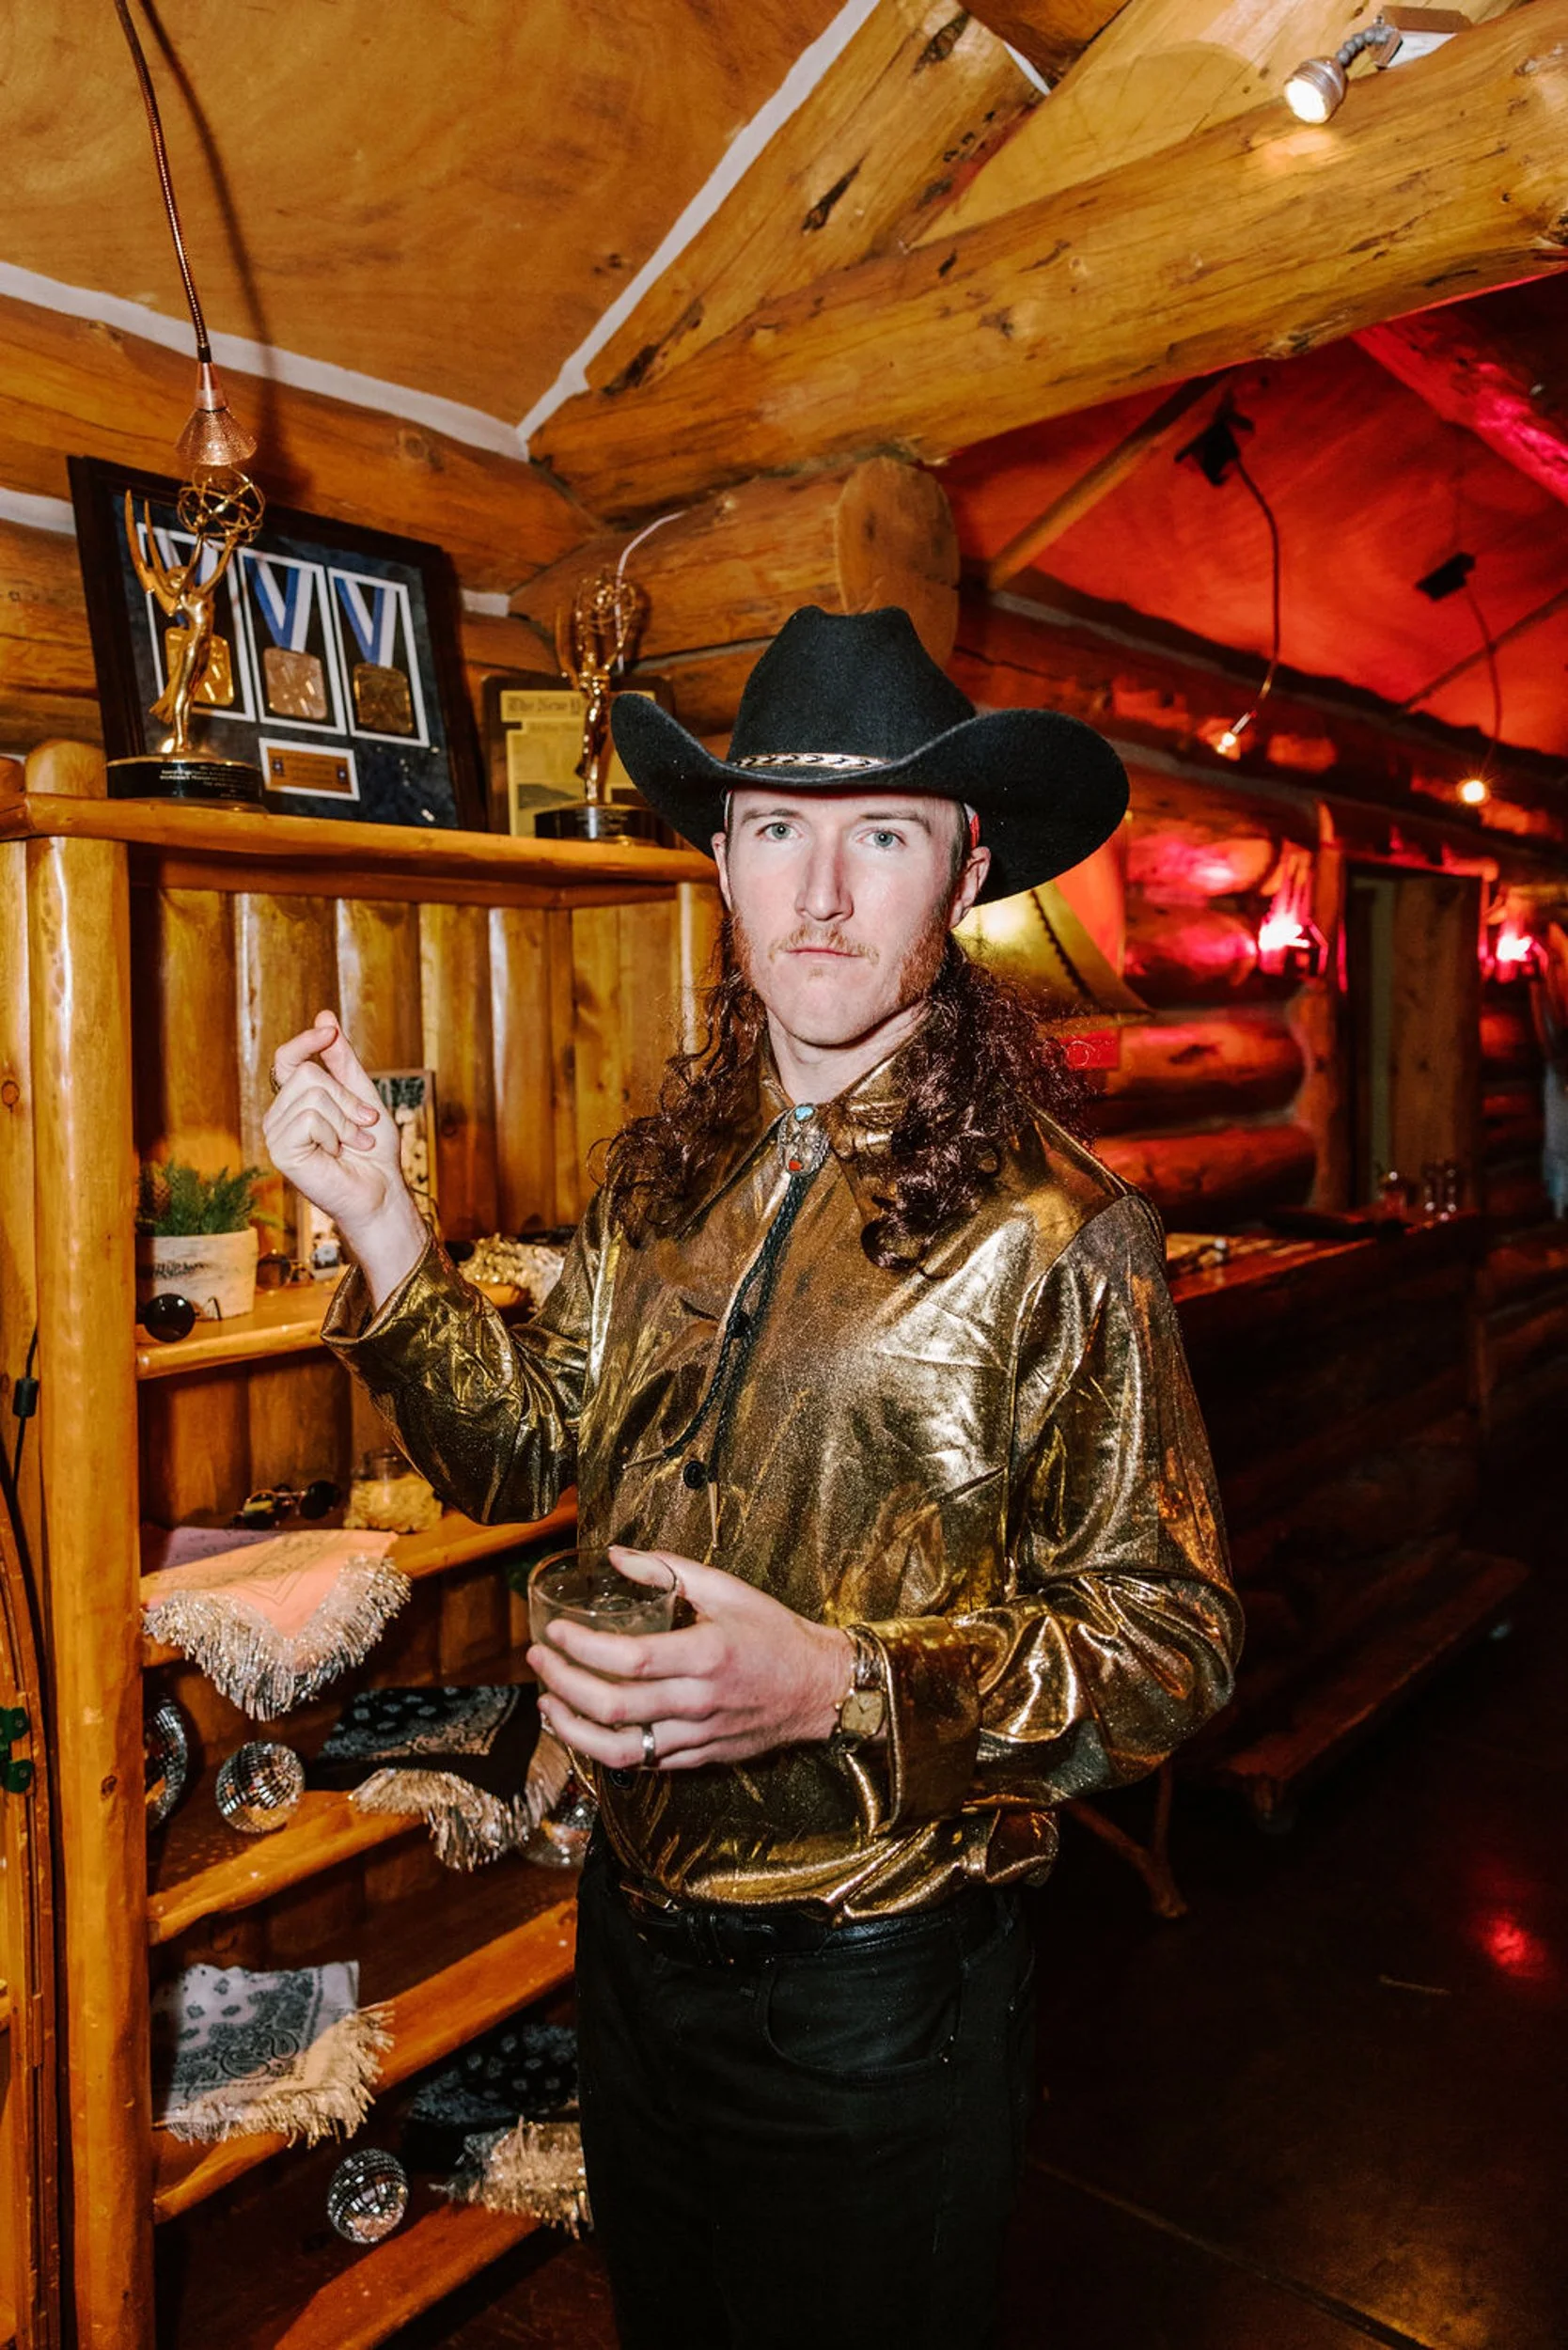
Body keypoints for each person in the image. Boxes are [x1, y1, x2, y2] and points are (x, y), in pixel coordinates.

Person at [265, 605, 1242, 2350]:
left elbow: (1172, 1643)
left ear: (965, 870)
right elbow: (526, 1450)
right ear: (721, 862)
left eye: (884, 834)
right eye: (779, 830)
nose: (823, 894)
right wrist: (388, 1233)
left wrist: (840, 1685)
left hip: (880, 1997)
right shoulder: (661, 1180)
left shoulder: (1063, 1239)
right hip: (629, 1943)